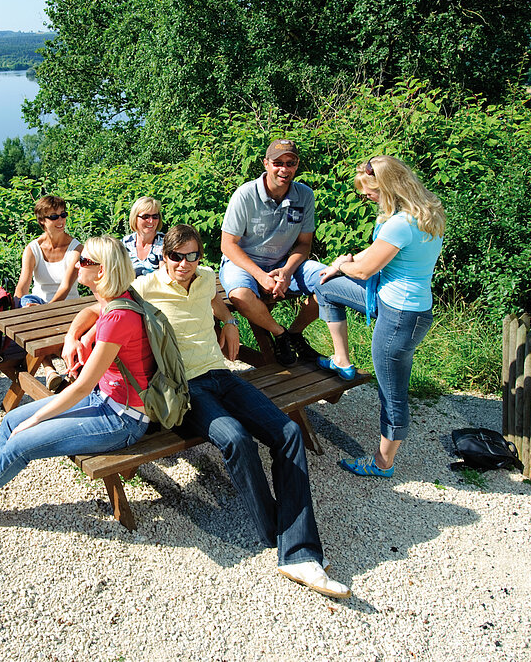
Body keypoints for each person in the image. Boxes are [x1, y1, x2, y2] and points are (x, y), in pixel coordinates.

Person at [133, 223, 349, 598]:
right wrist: (75, 336)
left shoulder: (206, 277)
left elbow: (215, 301)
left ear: (200, 256)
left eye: (192, 256)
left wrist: (230, 322)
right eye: (175, 257)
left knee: (289, 433)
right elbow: (103, 310)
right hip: (187, 387)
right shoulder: (145, 288)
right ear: (163, 256)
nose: (184, 264)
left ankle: (293, 548)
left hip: (223, 374)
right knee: (235, 438)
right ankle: (280, 533)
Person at [0, 236, 155, 524]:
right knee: (11, 421)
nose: (76, 263)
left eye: (84, 260)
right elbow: (93, 311)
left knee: (22, 439)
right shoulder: (119, 297)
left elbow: (82, 385)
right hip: (103, 399)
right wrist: (75, 336)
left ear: (101, 272)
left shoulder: (119, 317)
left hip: (122, 419)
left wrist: (36, 420)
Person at [314, 155, 445, 478]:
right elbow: (373, 255)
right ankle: (341, 359)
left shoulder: (401, 224)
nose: (366, 197)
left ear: (386, 187)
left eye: (369, 191)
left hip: (400, 316)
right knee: (325, 286)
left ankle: (382, 462)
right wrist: (342, 263)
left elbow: (363, 269)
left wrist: (342, 264)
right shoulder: (426, 213)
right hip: (399, 304)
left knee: (392, 391)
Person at [220, 138, 325, 368]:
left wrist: (287, 271)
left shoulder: (305, 195)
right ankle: (280, 334)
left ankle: (295, 333)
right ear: (266, 163)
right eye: (278, 163)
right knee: (240, 295)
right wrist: (260, 276)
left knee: (330, 282)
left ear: (297, 166)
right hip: (243, 264)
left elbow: (304, 244)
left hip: (284, 264)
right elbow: (228, 245)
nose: (284, 169)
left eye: (291, 163)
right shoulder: (245, 195)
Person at [14, 195, 83, 308]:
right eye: (54, 216)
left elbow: (65, 287)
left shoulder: (76, 249)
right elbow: (23, 285)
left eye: (63, 215)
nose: (60, 220)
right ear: (41, 220)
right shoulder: (32, 249)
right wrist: (17, 311)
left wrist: (45, 309)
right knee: (25, 300)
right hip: (37, 303)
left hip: (67, 305)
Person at [121, 196, 165, 276]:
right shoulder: (125, 243)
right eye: (146, 217)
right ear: (135, 218)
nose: (151, 221)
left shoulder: (165, 244)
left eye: (155, 217)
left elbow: (164, 278)